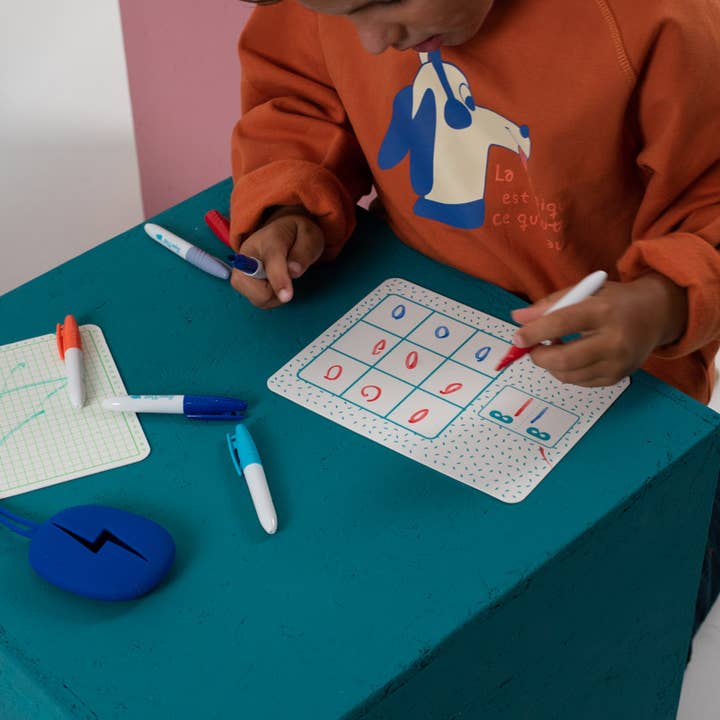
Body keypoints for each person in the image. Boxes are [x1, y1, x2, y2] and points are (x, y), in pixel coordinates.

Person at [229, 0, 720, 631]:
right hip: (417, 343)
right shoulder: (335, 13)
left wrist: (665, 301)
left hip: (624, 375)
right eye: (341, 14)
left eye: (383, 1)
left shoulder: (665, 21)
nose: (373, 42)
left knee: (626, 609)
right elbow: (297, 99)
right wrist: (288, 206)